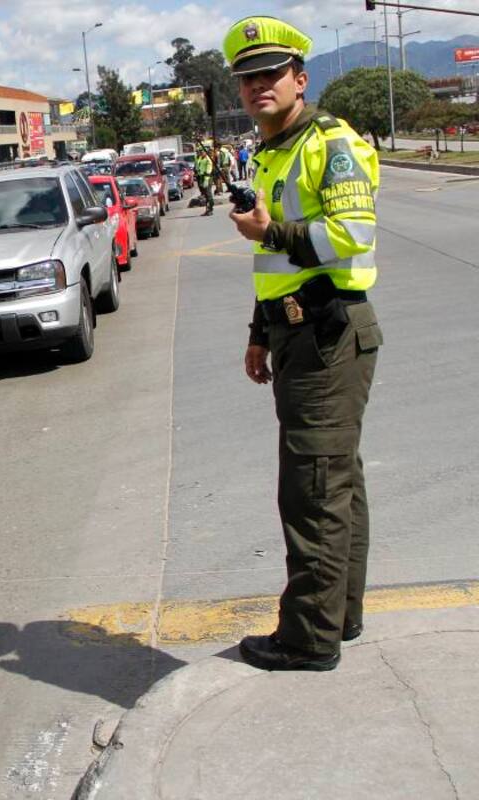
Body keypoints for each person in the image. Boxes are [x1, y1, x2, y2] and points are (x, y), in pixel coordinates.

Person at [225, 16, 382, 672]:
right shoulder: (270, 153)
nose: (259, 85)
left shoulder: (329, 142)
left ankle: (308, 637)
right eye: (247, 77)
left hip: (328, 332)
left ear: (300, 78)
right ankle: (337, 615)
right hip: (295, 332)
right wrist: (260, 332)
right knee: (336, 478)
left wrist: (272, 231)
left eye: (271, 73)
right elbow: (277, 264)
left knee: (313, 486)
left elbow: (353, 235)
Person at [195, 148, 214, 216]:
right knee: (205, 194)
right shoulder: (200, 158)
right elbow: (198, 167)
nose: (200, 152)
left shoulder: (208, 159)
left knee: (208, 194)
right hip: (202, 177)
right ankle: (207, 210)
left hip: (207, 178)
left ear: (205, 152)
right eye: (200, 151)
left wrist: (206, 180)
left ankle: (210, 209)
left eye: (202, 151)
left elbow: (208, 171)